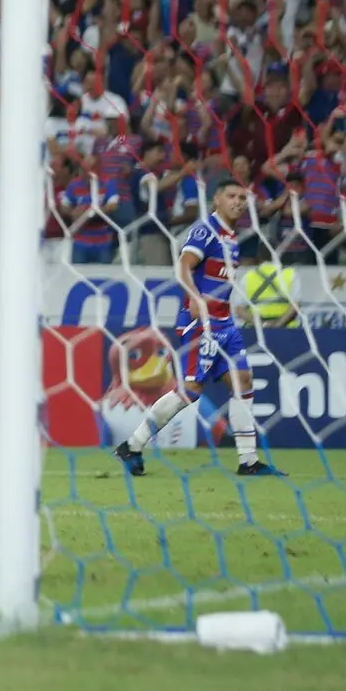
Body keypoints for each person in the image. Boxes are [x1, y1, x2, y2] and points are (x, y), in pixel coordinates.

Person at [113, 181, 284, 479]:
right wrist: (195, 299)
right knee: (190, 392)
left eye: (243, 198)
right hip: (202, 324)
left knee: (243, 380)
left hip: (224, 324)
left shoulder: (231, 238)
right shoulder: (206, 230)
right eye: (231, 196)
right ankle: (133, 444)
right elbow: (182, 266)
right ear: (216, 199)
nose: (238, 202)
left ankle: (249, 461)